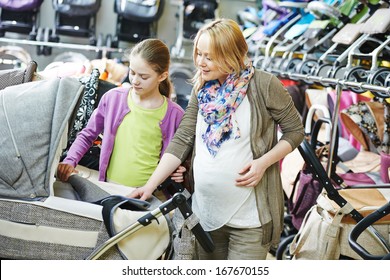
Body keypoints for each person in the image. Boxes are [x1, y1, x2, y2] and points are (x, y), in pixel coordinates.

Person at [129, 18, 304, 260]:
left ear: (230, 55)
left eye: (209, 56)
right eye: (199, 53)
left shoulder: (264, 85)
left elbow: (295, 130)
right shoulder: (201, 87)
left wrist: (263, 163)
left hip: (250, 220)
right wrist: (150, 186)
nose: (200, 62)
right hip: (205, 215)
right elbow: (183, 138)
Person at [57, 38, 186, 194]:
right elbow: (87, 135)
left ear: (162, 76)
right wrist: (70, 161)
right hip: (110, 189)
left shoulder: (175, 114)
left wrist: (180, 171)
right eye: (132, 73)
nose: (135, 81)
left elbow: (179, 157)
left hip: (151, 195)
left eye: (144, 77)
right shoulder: (113, 98)